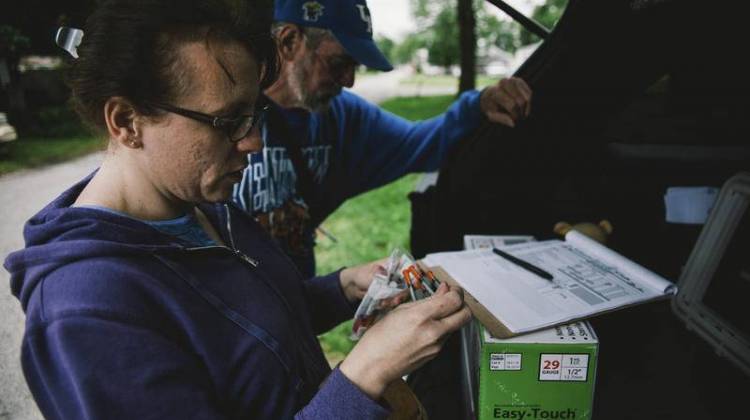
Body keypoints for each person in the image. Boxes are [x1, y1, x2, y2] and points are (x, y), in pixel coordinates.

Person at [3, 1, 471, 418]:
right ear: (127, 121)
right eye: (227, 121)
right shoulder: (88, 315)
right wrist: (364, 377)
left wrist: (343, 287)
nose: (253, 142)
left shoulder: (201, 205)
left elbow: (252, 329)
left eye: (254, 114)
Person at [232, 0, 533, 277]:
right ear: (289, 42)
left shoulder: (344, 118)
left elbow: (420, 143)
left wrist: (478, 105)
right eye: (339, 63)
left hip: (292, 302)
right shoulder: (223, 113)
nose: (349, 81)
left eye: (355, 67)